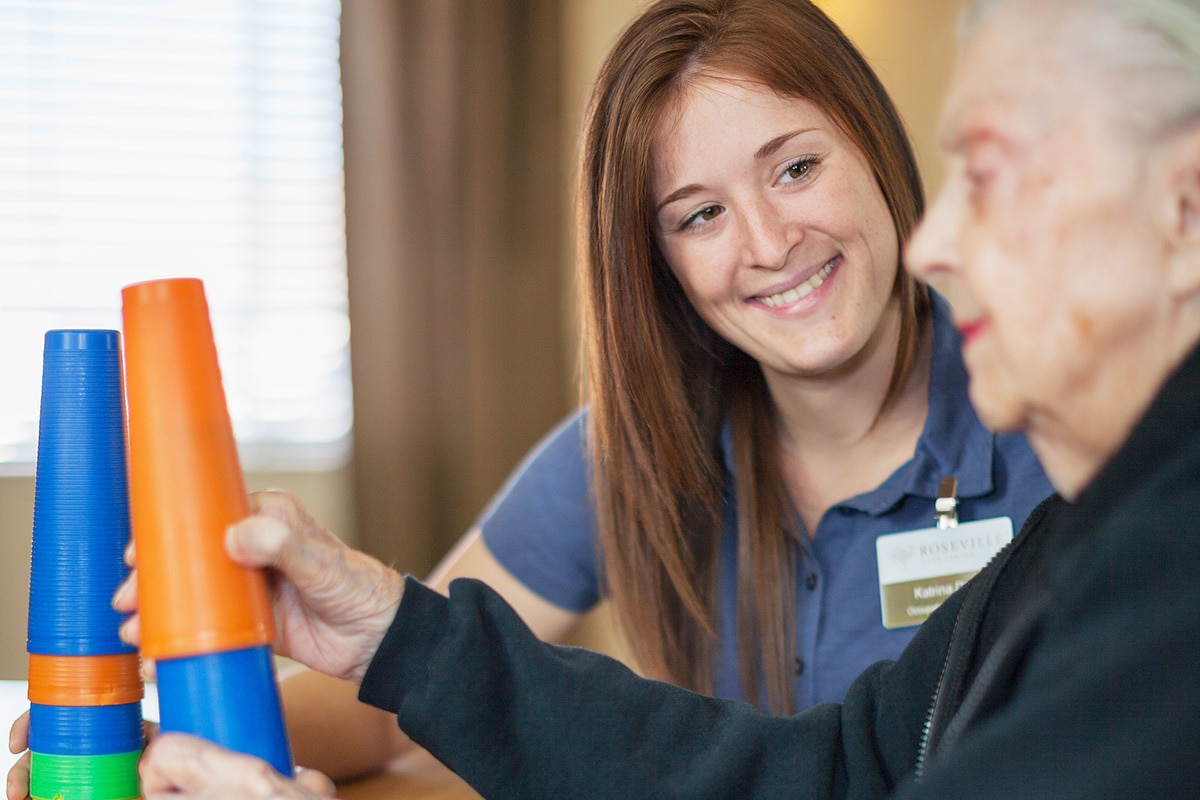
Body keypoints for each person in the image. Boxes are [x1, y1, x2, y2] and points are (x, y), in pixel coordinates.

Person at [113, 0, 1200, 795]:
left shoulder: (1122, 523)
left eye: (794, 169)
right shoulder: (1073, 547)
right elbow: (828, 770)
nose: (938, 238)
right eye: (698, 214)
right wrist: (371, 642)